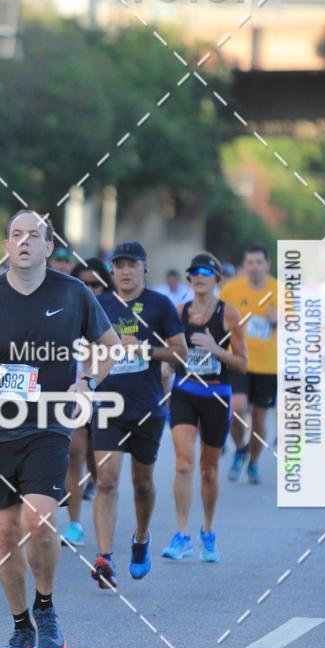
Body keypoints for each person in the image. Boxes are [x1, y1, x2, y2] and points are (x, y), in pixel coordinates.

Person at [0, 211, 119, 648]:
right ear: (7, 246)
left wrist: (88, 382)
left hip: (49, 424)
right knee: (4, 531)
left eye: (34, 235)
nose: (24, 242)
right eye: (16, 235)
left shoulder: (73, 292)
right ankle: (21, 626)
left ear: (48, 247)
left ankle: (45, 606)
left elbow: (111, 347)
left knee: (39, 522)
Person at [90, 242, 187, 588]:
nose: (125, 271)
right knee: (106, 480)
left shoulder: (160, 305)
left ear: (145, 268)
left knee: (142, 484)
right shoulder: (100, 305)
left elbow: (181, 354)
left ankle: (141, 537)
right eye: (119, 265)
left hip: (147, 406)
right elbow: (83, 348)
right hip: (107, 404)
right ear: (112, 271)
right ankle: (105, 558)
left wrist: (145, 349)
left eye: (132, 265)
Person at [163, 253, 247, 563]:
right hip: (185, 390)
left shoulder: (230, 314)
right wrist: (167, 364)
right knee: (183, 463)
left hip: (217, 394)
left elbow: (242, 363)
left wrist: (216, 350)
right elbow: (171, 350)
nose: (198, 276)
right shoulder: (179, 311)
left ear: (216, 278)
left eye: (205, 272)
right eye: (193, 272)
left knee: (208, 471)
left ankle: (207, 531)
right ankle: (181, 534)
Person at [62, 258, 114, 546]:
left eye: (96, 284)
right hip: (76, 394)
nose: (90, 290)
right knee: (74, 456)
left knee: (101, 470)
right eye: (84, 284)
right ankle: (74, 524)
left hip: (107, 396)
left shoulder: (112, 314)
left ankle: (104, 507)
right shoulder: (65, 310)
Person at [221, 245, 277, 484]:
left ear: (268, 265)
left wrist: (279, 320)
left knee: (259, 417)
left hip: (268, 365)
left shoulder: (280, 291)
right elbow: (217, 319)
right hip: (238, 359)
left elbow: (297, 326)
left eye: (259, 262)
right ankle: (240, 449)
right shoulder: (231, 289)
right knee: (236, 408)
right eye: (250, 262)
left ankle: (253, 462)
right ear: (244, 265)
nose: (254, 267)